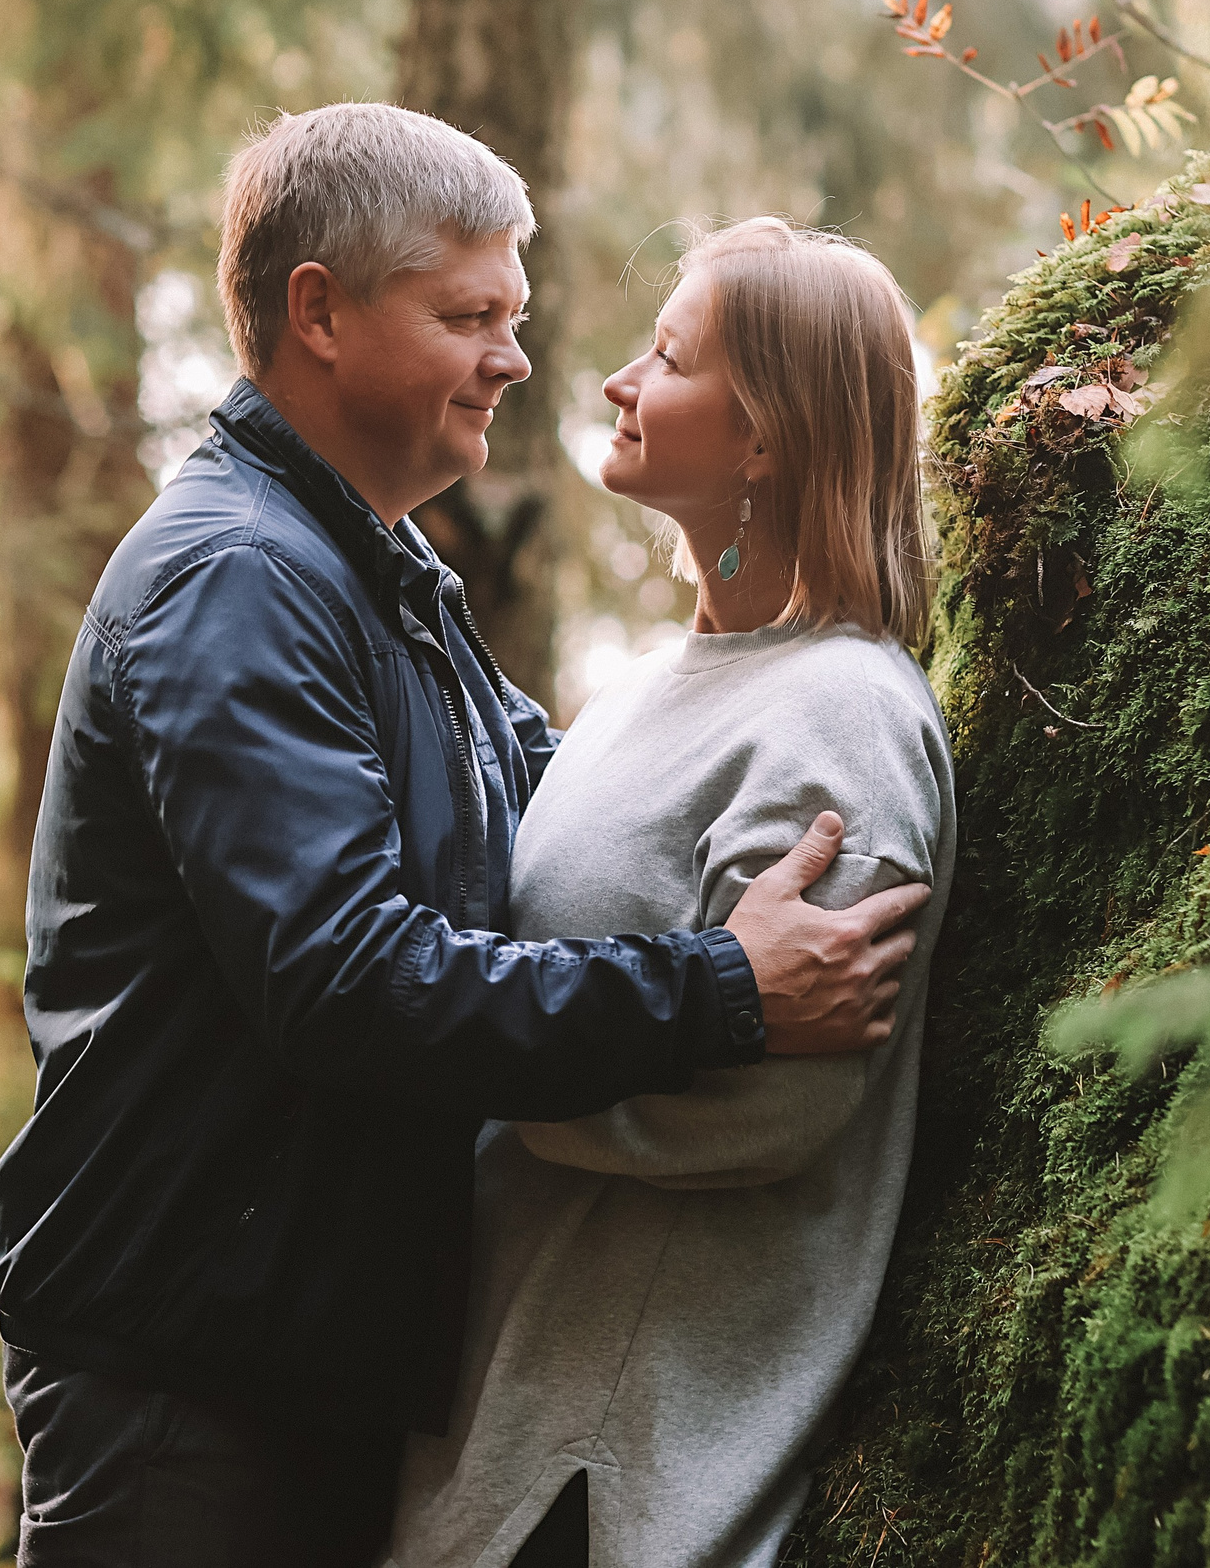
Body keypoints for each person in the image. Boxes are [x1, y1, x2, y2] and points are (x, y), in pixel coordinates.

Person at [0, 106, 932, 1568]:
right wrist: (722, 991)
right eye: (467, 313)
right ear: (320, 315)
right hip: (190, 1392)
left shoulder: (381, 577)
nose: (520, 358)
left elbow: (570, 824)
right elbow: (347, 975)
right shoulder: (241, 577)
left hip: (315, 1380)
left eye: (515, 314)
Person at [390, 218, 956, 1568]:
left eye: (667, 356)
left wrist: (479, 1071)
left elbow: (779, 1100)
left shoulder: (842, 715)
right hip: (488, 1412)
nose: (614, 385)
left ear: (763, 438)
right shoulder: (645, 687)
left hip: (624, 1457)